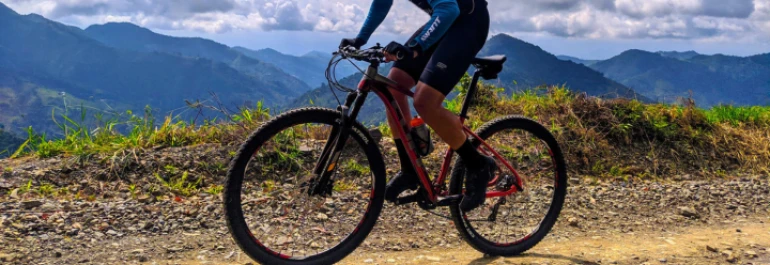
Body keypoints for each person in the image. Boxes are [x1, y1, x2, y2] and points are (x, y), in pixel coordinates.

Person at [340, 0, 495, 212]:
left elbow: (449, 9)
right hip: (446, 22)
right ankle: (410, 169)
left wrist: (414, 48)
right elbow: (381, 3)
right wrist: (359, 40)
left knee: (424, 101)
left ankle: (478, 165)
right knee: (394, 87)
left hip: (468, 24)